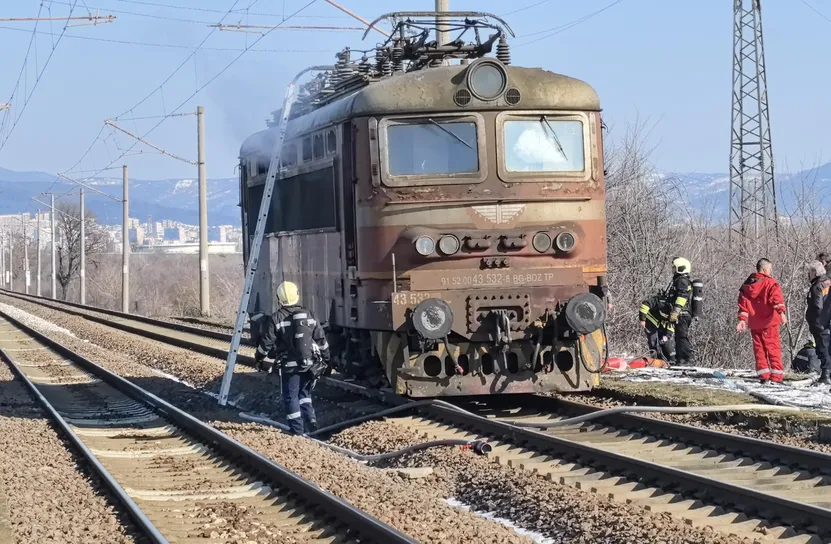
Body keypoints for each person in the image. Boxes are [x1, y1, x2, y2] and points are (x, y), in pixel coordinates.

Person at [255, 281, 331, 434]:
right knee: (305, 395)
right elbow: (321, 340)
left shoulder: (277, 318)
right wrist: (327, 359)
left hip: (289, 367)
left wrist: (259, 358)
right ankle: (312, 425)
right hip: (309, 364)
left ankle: (296, 431)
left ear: (279, 299)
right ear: (296, 295)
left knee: (291, 397)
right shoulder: (309, 314)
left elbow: (266, 343)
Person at [736, 258, 787, 383]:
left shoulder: (747, 285)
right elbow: (776, 299)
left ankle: (764, 375)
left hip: (755, 323)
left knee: (759, 350)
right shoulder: (771, 283)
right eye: (770, 269)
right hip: (770, 321)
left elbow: (743, 304)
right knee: (773, 348)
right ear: (764, 269)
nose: (771, 271)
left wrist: (742, 320)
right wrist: (781, 313)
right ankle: (776, 376)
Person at [805, 260, 831, 385]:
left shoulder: (816, 287)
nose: (808, 275)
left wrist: (815, 320)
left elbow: (817, 306)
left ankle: (825, 375)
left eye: (809, 272)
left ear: (814, 273)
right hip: (827, 322)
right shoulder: (828, 282)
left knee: (823, 349)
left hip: (820, 323)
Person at [665, 257, 694, 365]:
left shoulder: (682, 281)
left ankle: (685, 359)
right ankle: (679, 359)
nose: (673, 270)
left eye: (674, 268)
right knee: (678, 336)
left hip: (682, 313)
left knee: (682, 336)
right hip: (682, 313)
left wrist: (676, 311)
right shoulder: (680, 280)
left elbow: (682, 296)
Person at [639, 294, 676, 363]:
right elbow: (645, 304)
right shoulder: (659, 301)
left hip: (661, 322)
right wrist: (642, 319)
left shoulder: (676, 311)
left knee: (665, 341)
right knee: (653, 340)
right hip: (650, 319)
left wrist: (667, 336)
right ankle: (655, 360)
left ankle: (671, 360)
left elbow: (671, 326)